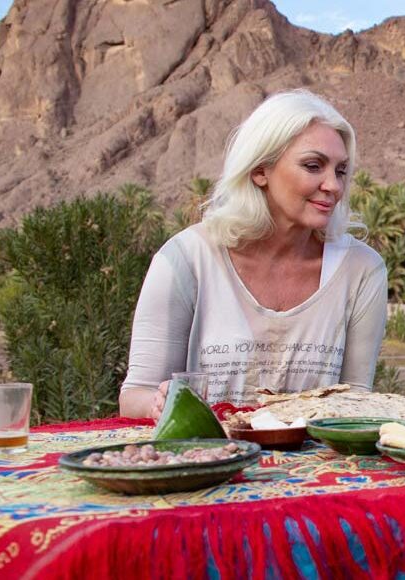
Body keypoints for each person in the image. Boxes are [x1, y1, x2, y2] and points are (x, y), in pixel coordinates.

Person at [119, 90, 388, 419]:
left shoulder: (361, 270)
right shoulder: (186, 260)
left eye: (341, 171)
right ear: (261, 171)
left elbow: (357, 401)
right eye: (314, 166)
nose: (333, 185)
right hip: (211, 463)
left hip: (320, 469)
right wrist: (158, 404)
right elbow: (135, 395)